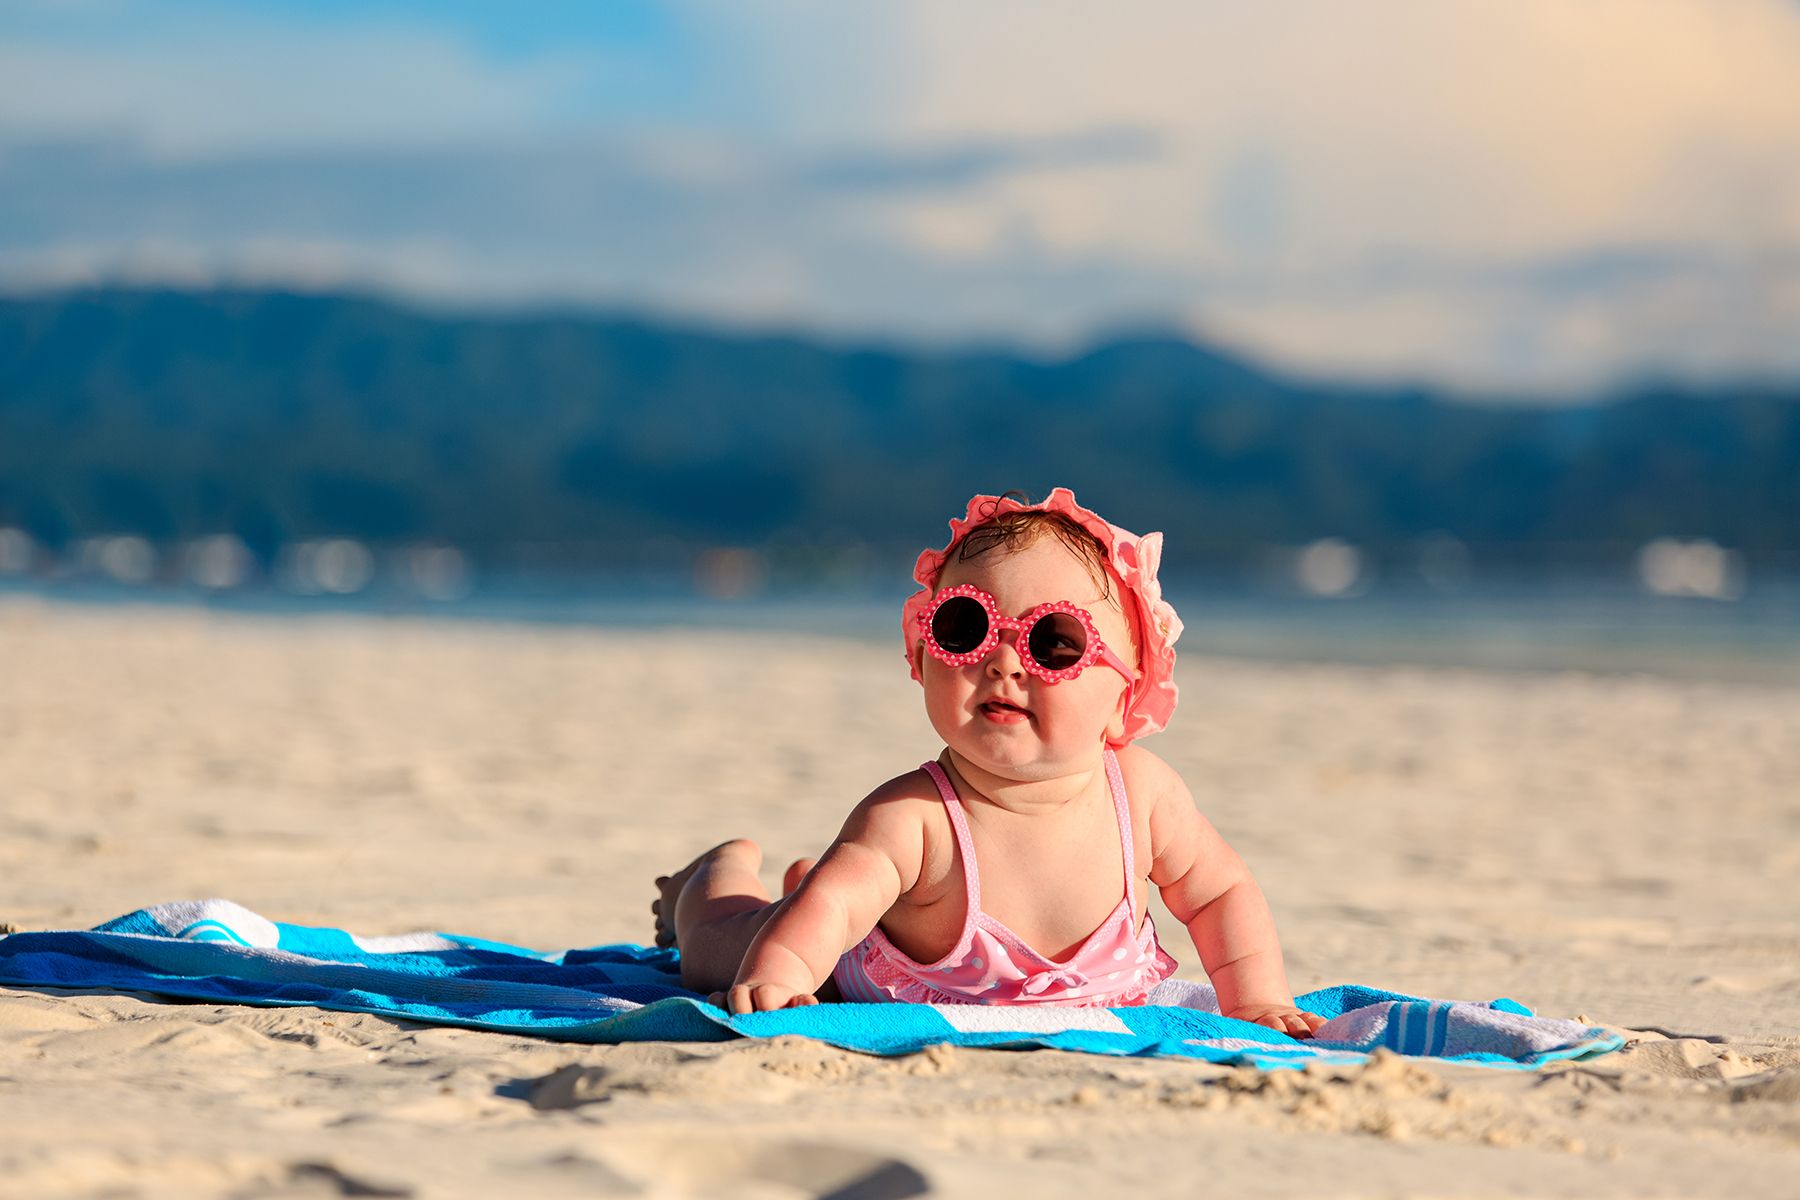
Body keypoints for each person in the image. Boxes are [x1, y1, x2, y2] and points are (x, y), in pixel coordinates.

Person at [652, 489, 1325, 1036]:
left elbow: (1219, 894)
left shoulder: (1144, 796)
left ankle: (799, 884)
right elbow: (831, 906)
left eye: (1054, 644)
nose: (1002, 662)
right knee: (724, 951)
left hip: (886, 918)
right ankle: (707, 883)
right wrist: (787, 977)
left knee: (826, 895)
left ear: (1125, 701)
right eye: (965, 629)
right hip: (854, 958)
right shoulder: (913, 815)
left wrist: (1254, 1000)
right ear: (921, 657)